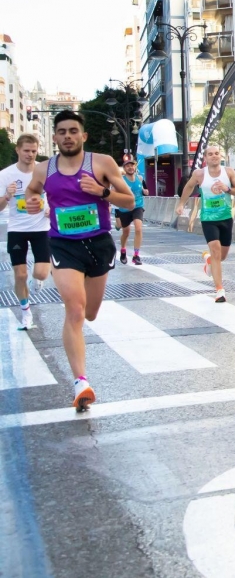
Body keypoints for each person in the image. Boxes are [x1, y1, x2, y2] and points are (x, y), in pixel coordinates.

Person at [25, 111, 134, 410]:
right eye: (62, 132)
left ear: (83, 136)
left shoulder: (101, 163)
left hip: (98, 244)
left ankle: (80, 376)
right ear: (55, 137)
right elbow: (31, 193)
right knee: (74, 309)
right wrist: (32, 202)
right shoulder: (44, 170)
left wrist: (102, 192)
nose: (68, 136)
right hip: (62, 245)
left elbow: (130, 201)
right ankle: (80, 382)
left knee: (90, 314)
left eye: (73, 131)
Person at [176, 145, 235, 302]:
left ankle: (209, 262)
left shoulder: (229, 172)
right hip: (208, 219)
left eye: (217, 153)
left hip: (226, 217)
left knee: (222, 256)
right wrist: (181, 204)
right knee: (215, 251)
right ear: (205, 158)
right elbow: (188, 187)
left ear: (221, 156)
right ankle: (220, 290)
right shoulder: (200, 174)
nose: (214, 156)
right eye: (210, 154)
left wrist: (227, 189)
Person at [0, 134, 51, 330]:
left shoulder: (43, 172)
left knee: (41, 273)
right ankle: (25, 311)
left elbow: (56, 196)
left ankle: (37, 279)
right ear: (17, 150)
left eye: (33, 151)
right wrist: (7, 195)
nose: (30, 154)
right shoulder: (5, 175)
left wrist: (50, 209)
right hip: (17, 229)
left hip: (41, 228)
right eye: (26, 151)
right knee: (20, 275)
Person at [114, 159, 146, 265]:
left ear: (135, 167)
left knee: (138, 228)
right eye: (127, 166)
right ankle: (123, 250)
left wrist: (145, 191)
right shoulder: (121, 180)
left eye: (132, 166)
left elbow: (145, 190)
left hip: (138, 206)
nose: (130, 167)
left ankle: (136, 256)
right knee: (126, 232)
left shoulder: (140, 178)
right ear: (124, 168)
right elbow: (113, 193)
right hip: (124, 208)